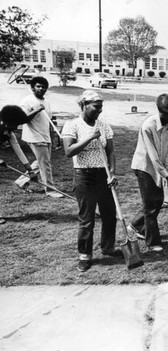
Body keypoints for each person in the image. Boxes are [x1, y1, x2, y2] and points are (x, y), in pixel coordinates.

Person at [61, 90, 122, 272]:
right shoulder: (72, 125)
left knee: (109, 215)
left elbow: (110, 151)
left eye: (101, 106)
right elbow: (69, 151)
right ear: (84, 105)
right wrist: (89, 137)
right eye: (96, 106)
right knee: (87, 219)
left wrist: (112, 172)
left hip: (103, 176)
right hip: (84, 176)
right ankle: (84, 256)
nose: (99, 110)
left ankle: (108, 247)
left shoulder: (103, 126)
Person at [128, 94, 168, 252]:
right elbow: (154, 157)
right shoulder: (148, 126)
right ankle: (152, 241)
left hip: (158, 167)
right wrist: (167, 175)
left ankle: (135, 225)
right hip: (144, 167)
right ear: (163, 113)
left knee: (157, 201)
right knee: (151, 205)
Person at [19, 76, 62, 198]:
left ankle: (21, 181)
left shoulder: (46, 102)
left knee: (41, 162)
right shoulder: (26, 101)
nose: (41, 89)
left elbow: (48, 122)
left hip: (45, 136)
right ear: (32, 88)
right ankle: (50, 190)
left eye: (44, 87)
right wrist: (36, 110)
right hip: (34, 136)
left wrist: (52, 137)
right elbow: (22, 119)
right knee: (45, 164)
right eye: (38, 86)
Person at [0, 105, 38, 224]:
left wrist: (30, 170)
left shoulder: (9, 133)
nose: (17, 127)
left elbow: (18, 150)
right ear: (6, 122)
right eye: (15, 124)